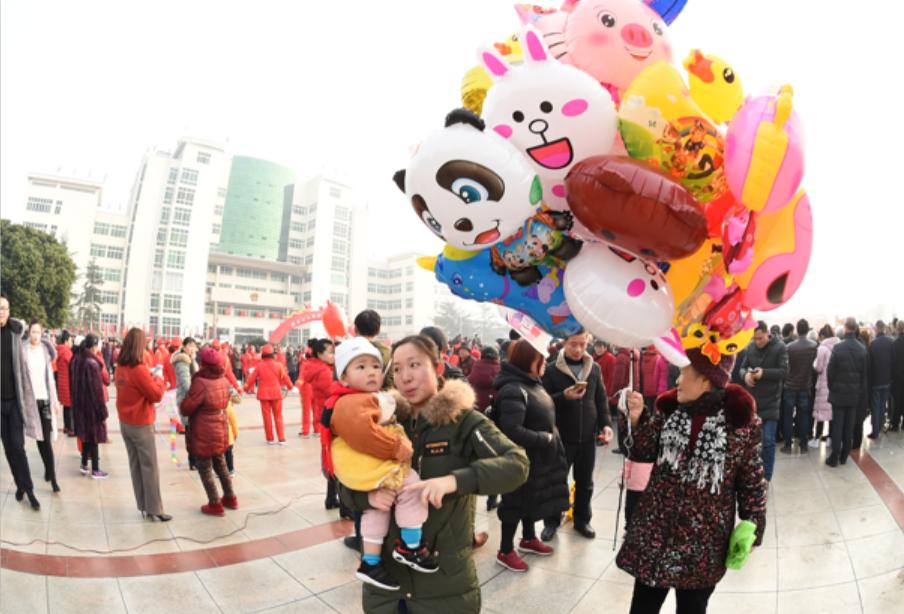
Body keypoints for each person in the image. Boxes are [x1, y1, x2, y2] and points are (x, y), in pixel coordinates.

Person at [340, 334, 529, 613]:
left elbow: (517, 464)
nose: (405, 377)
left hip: (443, 586)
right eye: (397, 369)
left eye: (414, 365)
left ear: (438, 367)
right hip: (387, 591)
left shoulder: (463, 421)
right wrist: (367, 497)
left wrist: (455, 481)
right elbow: (345, 484)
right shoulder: (380, 421)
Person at [617, 348, 767, 614]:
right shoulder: (669, 410)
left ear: (706, 379)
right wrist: (637, 416)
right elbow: (641, 450)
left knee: (693, 608)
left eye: (683, 373)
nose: (677, 380)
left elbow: (752, 481)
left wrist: (752, 525)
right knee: (643, 606)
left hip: (704, 540)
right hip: (657, 531)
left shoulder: (741, 422)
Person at [327, 337, 438, 589]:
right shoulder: (352, 402)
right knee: (412, 486)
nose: (371, 372)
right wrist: (397, 447)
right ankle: (411, 545)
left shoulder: (362, 398)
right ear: (343, 377)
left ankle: (370, 561)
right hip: (376, 465)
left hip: (370, 469)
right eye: (361, 367)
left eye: (376, 366)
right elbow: (365, 434)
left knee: (377, 509)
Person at [493, 340, 568, 572]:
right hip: (521, 460)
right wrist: (543, 438)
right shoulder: (513, 389)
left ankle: (528, 538)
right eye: (540, 359)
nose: (545, 363)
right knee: (514, 504)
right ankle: (505, 550)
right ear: (528, 361)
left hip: (540, 459)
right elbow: (511, 430)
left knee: (532, 500)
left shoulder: (533, 383)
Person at [540, 330, 614, 540]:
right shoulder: (551, 369)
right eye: (573, 344)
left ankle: (582, 520)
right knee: (556, 481)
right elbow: (543, 401)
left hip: (587, 437)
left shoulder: (594, 368)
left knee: (585, 482)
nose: (578, 349)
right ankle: (551, 521)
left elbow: (601, 400)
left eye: (583, 344)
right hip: (561, 436)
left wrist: (606, 425)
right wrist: (563, 396)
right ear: (564, 343)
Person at [115, 328, 171, 521]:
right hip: (141, 424)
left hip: (125, 423)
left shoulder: (121, 367)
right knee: (149, 467)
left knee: (136, 465)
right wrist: (159, 378)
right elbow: (156, 395)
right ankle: (155, 509)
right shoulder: (138, 370)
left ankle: (143, 505)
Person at [181, 346, 237, 516]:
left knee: (205, 468)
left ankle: (215, 504)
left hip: (204, 430)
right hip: (220, 427)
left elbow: (186, 408)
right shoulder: (224, 380)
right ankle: (230, 497)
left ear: (203, 364)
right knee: (221, 464)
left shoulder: (200, 382)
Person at [0, 296, 42, 510]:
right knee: (8, 449)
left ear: (9, 311)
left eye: (4, 308)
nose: (1, 312)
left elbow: (24, 367)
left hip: (15, 402)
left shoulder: (15, 333)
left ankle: (30, 490)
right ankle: (20, 485)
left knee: (18, 447)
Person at [739, 321, 788, 481]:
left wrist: (764, 373)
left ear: (767, 333)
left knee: (768, 441)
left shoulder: (780, 347)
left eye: (760, 338)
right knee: (753, 442)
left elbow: (784, 372)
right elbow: (741, 368)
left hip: (772, 402)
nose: (757, 342)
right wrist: (746, 375)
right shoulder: (751, 347)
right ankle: (756, 473)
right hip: (754, 402)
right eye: (755, 338)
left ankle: (767, 477)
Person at [826, 318, 869, 467]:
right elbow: (864, 375)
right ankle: (844, 456)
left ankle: (834, 457)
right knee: (849, 426)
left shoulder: (838, 348)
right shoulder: (862, 349)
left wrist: (832, 388)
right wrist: (858, 391)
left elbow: (830, 372)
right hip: (853, 395)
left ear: (845, 328)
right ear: (856, 328)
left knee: (837, 426)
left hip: (838, 394)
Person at [25, 321, 61, 493]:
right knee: (39, 439)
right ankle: (47, 468)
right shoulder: (23, 351)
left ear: (42, 334)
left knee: (46, 440)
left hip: (45, 401)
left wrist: (55, 401)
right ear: (29, 333)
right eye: (33, 332)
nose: (35, 335)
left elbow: (50, 379)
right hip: (31, 403)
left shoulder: (45, 352)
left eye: (38, 332)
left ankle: (53, 478)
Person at [244, 343, 293, 445]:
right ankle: (281, 438)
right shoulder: (279, 365)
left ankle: (270, 439)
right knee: (278, 416)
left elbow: (251, 379)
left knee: (267, 417)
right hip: (276, 394)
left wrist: (245, 388)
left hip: (264, 394)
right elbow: (285, 378)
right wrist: (290, 386)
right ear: (272, 354)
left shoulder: (259, 366)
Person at [782, 319, 818, 453]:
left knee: (787, 416)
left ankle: (787, 445)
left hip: (790, 386)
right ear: (807, 330)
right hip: (805, 386)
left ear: (797, 330)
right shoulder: (813, 346)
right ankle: (803, 445)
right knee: (804, 416)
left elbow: (786, 367)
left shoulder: (790, 347)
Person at [300, 338, 335, 439]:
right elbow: (333, 394)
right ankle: (312, 430)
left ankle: (307, 430)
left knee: (307, 410)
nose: (333, 355)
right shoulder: (324, 372)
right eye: (330, 352)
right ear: (319, 353)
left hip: (322, 413)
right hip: (330, 415)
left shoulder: (311, 366)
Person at [812, 324, 839, 447]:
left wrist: (814, 363)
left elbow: (819, 368)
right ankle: (830, 439)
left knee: (820, 413)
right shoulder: (838, 346)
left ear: (822, 336)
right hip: (835, 384)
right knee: (832, 413)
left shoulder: (822, 348)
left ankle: (817, 439)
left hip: (823, 383)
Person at [173, 338, 199, 466]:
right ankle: (193, 460)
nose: (192, 348)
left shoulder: (190, 359)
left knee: (194, 430)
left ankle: (194, 459)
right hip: (186, 399)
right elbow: (187, 384)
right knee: (190, 430)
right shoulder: (182, 361)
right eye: (190, 345)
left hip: (193, 398)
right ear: (184, 346)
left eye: (194, 345)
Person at [868, 320, 895, 438]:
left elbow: (870, 364)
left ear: (877, 328)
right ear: (883, 328)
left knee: (875, 406)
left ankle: (875, 431)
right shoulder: (890, 342)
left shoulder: (873, 344)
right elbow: (893, 361)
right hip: (887, 380)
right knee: (883, 405)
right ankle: (879, 428)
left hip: (876, 380)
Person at [354, 309, 393, 389]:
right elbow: (390, 383)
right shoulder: (389, 353)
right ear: (378, 330)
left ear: (355, 329)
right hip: (380, 395)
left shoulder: (346, 350)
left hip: (350, 395)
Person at [467, 346, 501, 413]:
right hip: (493, 410)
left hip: (475, 409)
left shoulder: (475, 368)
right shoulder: (500, 370)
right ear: (497, 357)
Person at [55, 330, 75, 436]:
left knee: (66, 406)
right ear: (66, 341)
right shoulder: (67, 352)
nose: (72, 343)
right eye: (71, 340)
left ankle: (66, 427)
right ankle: (71, 429)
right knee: (70, 406)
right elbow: (72, 366)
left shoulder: (58, 350)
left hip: (61, 382)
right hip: (67, 383)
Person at [891, 320, 904, 432]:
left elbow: (892, 361)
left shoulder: (895, 343)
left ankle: (895, 423)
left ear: (897, 329)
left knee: (897, 400)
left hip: (897, 376)